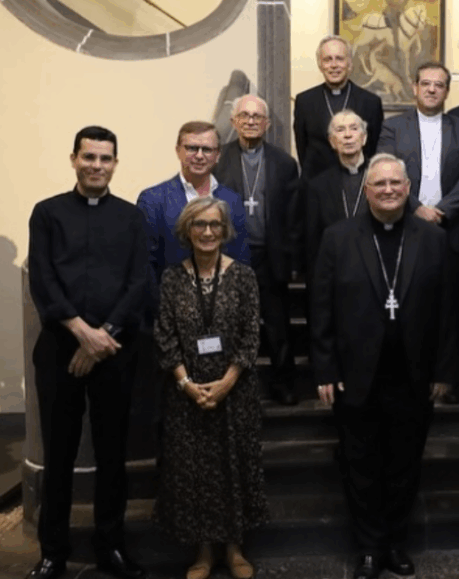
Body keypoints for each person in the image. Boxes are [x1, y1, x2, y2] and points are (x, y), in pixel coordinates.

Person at [312, 153, 459, 579]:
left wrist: (444, 371)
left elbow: (448, 311)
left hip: (414, 374)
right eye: (380, 184)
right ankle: (369, 549)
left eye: (396, 183)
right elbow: (321, 308)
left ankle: (395, 543)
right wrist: (325, 369)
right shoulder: (338, 238)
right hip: (356, 376)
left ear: (409, 188)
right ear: (366, 190)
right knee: (360, 465)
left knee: (404, 465)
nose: (389, 190)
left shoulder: (433, 239)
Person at [27, 126, 148, 579]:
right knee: (58, 454)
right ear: (74, 159)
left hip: (114, 350)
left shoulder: (132, 217)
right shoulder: (47, 213)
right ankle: (53, 552)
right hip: (60, 348)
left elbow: (139, 281)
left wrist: (102, 338)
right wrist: (82, 333)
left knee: (113, 453)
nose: (97, 165)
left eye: (105, 158)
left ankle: (110, 545)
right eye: (89, 157)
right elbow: (43, 278)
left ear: (115, 163)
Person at [152, 196, 267, 579]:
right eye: (199, 224)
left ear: (225, 230)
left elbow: (251, 335)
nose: (207, 232)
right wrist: (187, 384)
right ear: (187, 230)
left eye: (214, 224)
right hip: (186, 395)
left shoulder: (243, 276)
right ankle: (203, 552)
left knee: (234, 467)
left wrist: (226, 383)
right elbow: (165, 336)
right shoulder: (172, 279)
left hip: (235, 392)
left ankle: (234, 550)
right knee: (195, 474)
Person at [377, 60, 459, 404]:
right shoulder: (393, 128)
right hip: (405, 229)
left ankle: (448, 380)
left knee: (449, 310)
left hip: (451, 231)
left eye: (439, 84)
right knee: (408, 306)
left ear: (447, 91)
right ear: (414, 87)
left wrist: (442, 210)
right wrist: (416, 208)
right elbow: (384, 173)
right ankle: (410, 378)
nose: (432, 89)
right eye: (426, 83)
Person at [213, 95, 302, 406]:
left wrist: (292, 258)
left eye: (257, 117)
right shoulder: (218, 159)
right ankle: (230, 387)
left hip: (271, 256)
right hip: (230, 255)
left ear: (267, 124)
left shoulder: (285, 163)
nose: (251, 121)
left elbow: (293, 216)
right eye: (245, 115)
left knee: (278, 326)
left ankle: (284, 384)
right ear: (234, 121)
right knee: (229, 324)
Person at [137, 121, 250, 312]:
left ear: (217, 155)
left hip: (223, 310)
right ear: (178, 151)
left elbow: (241, 260)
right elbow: (146, 266)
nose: (199, 155)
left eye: (207, 149)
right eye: (191, 148)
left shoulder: (232, 200)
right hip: (170, 310)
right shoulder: (153, 200)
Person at [294, 35, 384, 183]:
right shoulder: (305, 101)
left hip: (358, 182)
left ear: (349, 64)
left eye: (340, 59)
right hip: (316, 182)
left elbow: (373, 147)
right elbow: (302, 148)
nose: (334, 65)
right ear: (320, 65)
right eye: (327, 59)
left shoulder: (370, 102)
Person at [303, 110, 371, 278]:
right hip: (335, 271)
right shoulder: (318, 186)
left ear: (364, 138)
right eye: (340, 130)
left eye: (354, 128)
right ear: (332, 142)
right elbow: (312, 243)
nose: (347, 135)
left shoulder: (382, 178)